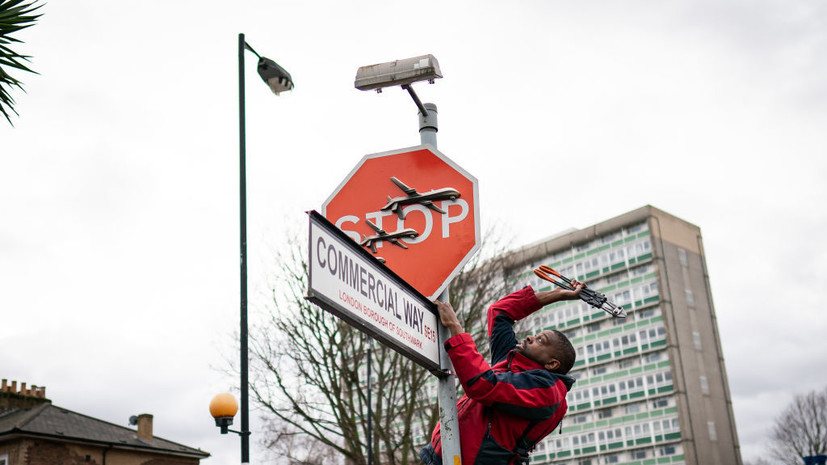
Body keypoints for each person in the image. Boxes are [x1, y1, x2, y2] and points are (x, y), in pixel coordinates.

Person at [419, 281, 584, 465]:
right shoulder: (512, 360)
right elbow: (499, 313)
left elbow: (482, 384)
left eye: (540, 340)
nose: (530, 337)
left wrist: (455, 327)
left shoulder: (547, 392)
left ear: (552, 363)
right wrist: (558, 294)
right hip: (438, 455)